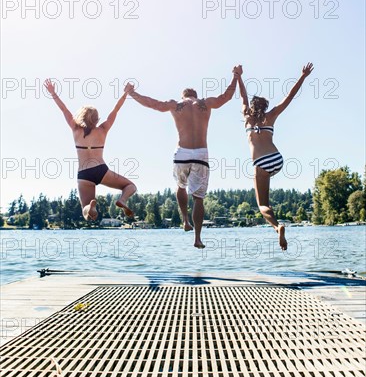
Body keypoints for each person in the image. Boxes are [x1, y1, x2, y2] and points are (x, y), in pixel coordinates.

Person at [124, 68, 241, 248]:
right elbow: (226, 96)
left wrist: (132, 93)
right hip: (201, 153)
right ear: (195, 95)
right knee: (198, 198)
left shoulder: (175, 105)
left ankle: (185, 220)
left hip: (182, 154)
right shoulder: (205, 103)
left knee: (180, 186)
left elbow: (152, 103)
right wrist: (235, 76)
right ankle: (198, 238)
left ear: (184, 96)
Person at [237, 63, 314, 250]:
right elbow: (289, 97)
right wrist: (302, 76)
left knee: (263, 205)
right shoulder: (270, 116)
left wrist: (239, 76)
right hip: (277, 159)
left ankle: (277, 226)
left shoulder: (247, 116)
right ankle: (277, 227)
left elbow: (242, 97)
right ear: (265, 107)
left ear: (252, 107)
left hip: (261, 163)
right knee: (266, 192)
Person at [44, 79, 136, 221]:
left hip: (84, 173)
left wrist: (53, 92)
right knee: (130, 186)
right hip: (101, 170)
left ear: (81, 116)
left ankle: (90, 206)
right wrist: (125, 94)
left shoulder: (75, 129)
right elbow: (115, 110)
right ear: (97, 118)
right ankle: (122, 200)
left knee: (87, 214)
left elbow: (64, 109)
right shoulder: (103, 129)